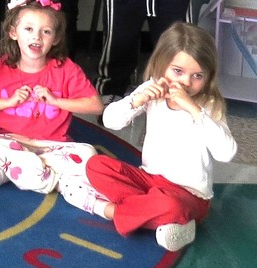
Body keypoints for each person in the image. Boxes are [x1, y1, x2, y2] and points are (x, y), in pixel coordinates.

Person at [67, 23, 236, 252]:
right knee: (96, 165)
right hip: (148, 182)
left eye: (197, 76)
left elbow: (226, 153)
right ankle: (165, 220)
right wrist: (136, 101)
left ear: (208, 77)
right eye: (178, 71)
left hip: (189, 195)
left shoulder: (209, 105)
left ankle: (109, 210)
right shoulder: (153, 88)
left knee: (170, 205)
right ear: (161, 64)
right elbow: (110, 121)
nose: (186, 82)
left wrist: (193, 109)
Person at [0, 0, 103, 195]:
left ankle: (14, 170)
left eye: (46, 31)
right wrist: (9, 102)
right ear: (13, 33)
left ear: (55, 39)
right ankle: (50, 180)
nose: (36, 36)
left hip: (54, 145)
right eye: (28, 29)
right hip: (11, 141)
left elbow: (95, 105)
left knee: (89, 155)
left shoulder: (66, 68)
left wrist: (57, 101)